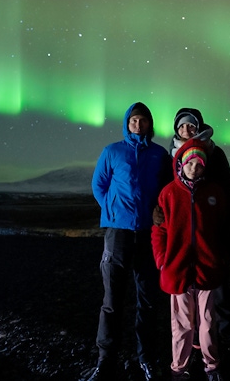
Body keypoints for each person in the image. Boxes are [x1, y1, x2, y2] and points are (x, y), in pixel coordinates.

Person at [86, 102, 172, 381]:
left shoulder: (159, 155)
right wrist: (112, 211)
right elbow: (99, 185)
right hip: (118, 233)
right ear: (127, 123)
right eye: (134, 120)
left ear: (150, 124)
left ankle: (145, 357)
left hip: (149, 233)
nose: (138, 125)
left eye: (143, 120)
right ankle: (106, 359)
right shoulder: (112, 151)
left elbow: (168, 189)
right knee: (112, 300)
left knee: (147, 300)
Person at [155, 108, 230, 350]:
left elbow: (227, 194)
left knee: (217, 289)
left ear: (199, 126)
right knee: (184, 289)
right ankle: (191, 340)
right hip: (181, 235)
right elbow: (164, 192)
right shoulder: (169, 155)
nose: (186, 130)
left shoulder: (214, 153)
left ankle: (223, 337)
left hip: (211, 233)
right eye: (181, 126)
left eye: (191, 125)